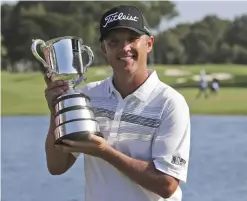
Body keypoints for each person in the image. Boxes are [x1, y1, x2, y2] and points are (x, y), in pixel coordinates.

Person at [44, 5, 191, 201]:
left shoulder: (170, 103)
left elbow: (167, 184)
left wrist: (104, 152)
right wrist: (57, 110)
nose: (124, 48)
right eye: (114, 42)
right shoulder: (88, 96)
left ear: (149, 43)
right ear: (104, 49)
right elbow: (57, 166)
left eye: (132, 39)